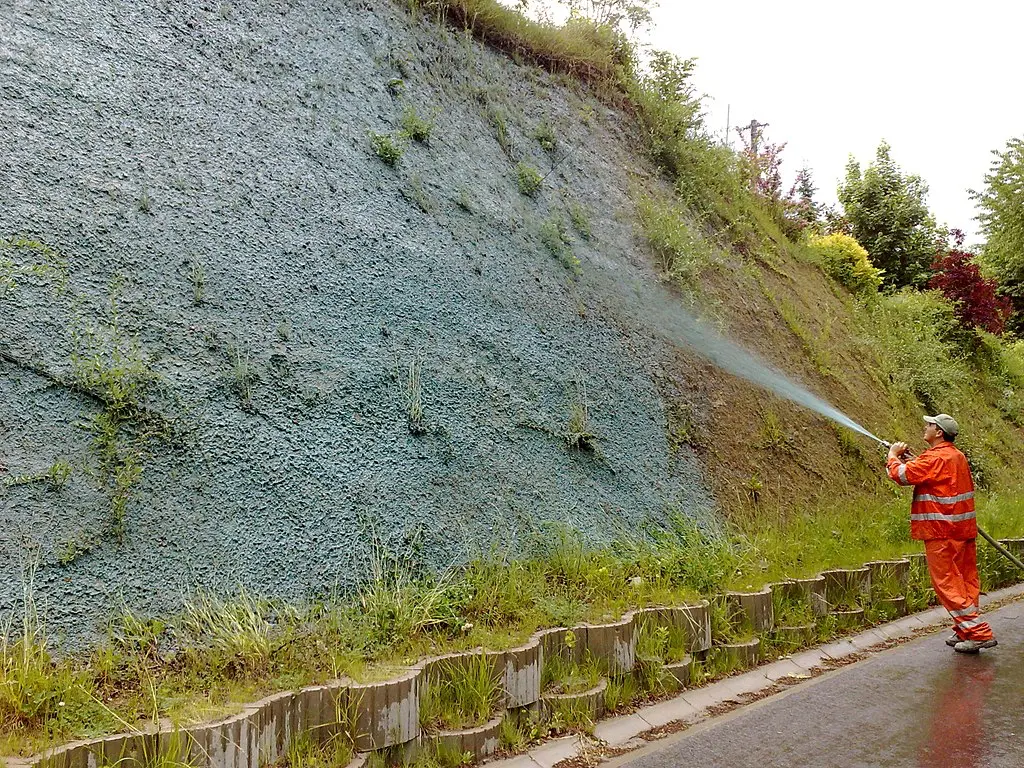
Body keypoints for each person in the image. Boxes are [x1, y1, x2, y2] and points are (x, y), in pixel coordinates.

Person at [887, 414, 997, 654]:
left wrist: (893, 457)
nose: (925, 427)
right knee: (966, 581)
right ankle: (964, 629)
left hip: (941, 531)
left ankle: (979, 633)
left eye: (929, 425)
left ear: (939, 433)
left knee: (947, 583)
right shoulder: (955, 456)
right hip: (962, 529)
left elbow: (901, 475)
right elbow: (930, 473)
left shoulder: (936, 457)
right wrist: (911, 460)